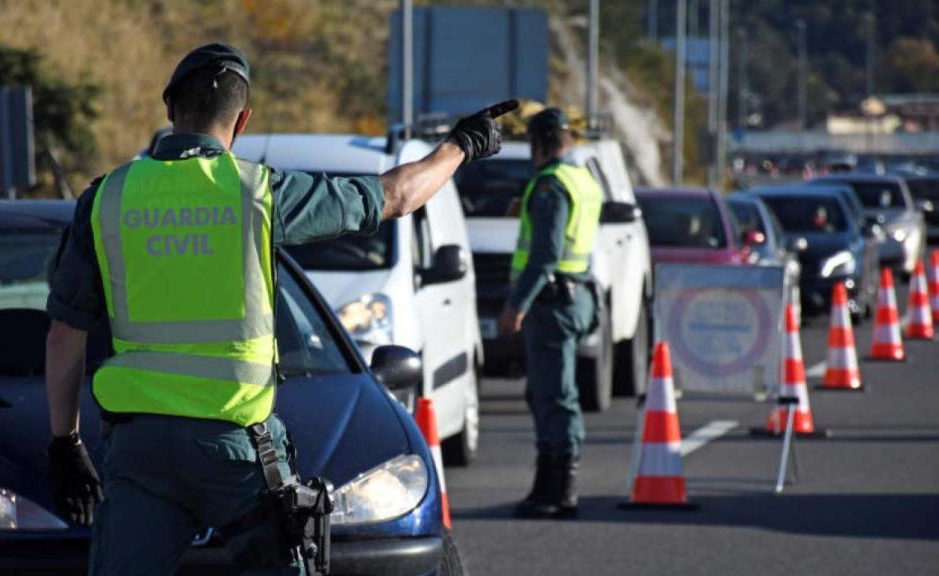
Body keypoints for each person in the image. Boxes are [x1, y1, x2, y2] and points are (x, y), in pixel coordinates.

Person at [44, 42, 513, 575]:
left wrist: (65, 442)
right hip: (236, 453)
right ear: (243, 120)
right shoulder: (257, 194)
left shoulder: (108, 198)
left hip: (139, 450)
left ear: (169, 107)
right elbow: (397, 197)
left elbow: (65, 334)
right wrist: (459, 146)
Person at [498, 108, 602, 519]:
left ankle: (558, 492)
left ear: (540, 143)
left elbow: (544, 255)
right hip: (577, 297)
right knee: (549, 392)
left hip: (552, 303)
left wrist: (516, 304)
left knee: (555, 396)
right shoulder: (581, 178)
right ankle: (551, 486)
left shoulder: (551, 185)